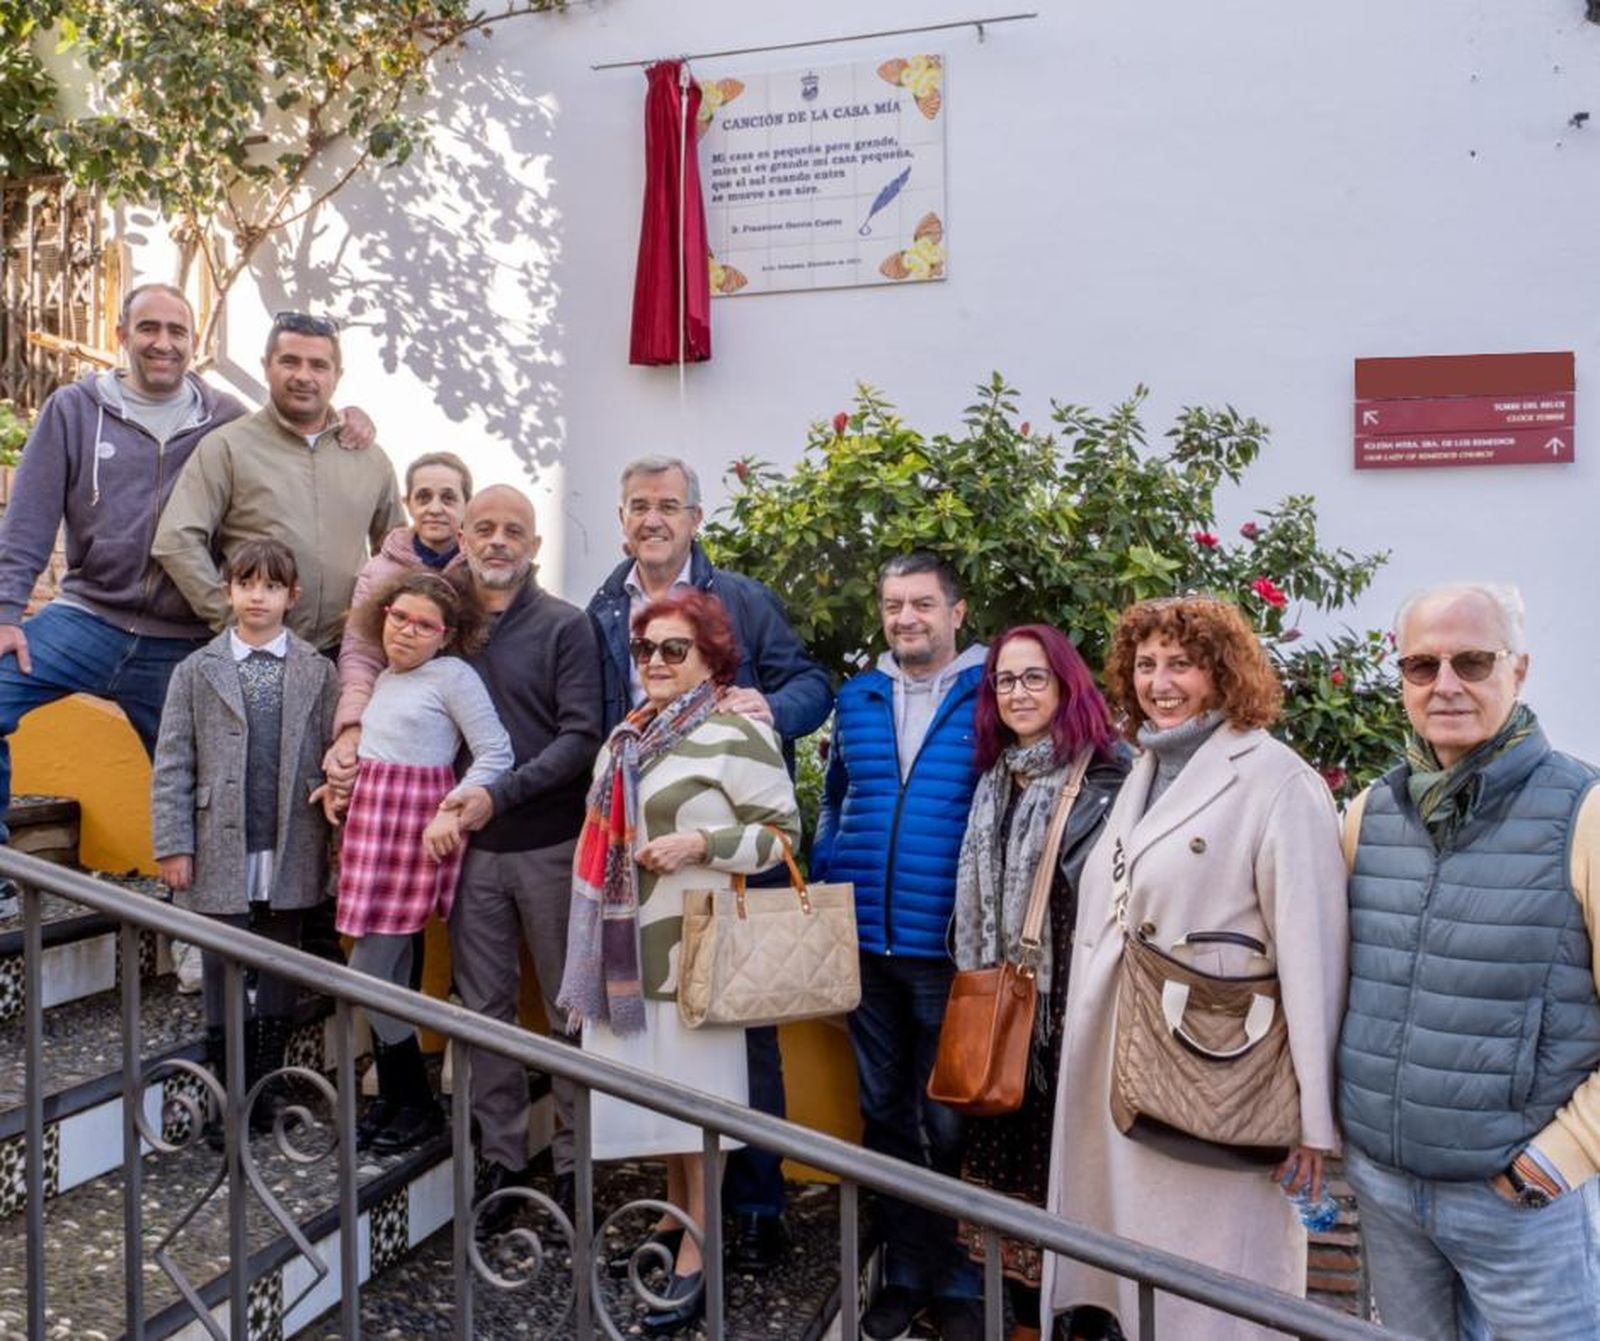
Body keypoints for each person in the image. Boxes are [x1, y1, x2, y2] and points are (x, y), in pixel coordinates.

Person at [0, 286, 363, 915]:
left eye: (177, 330)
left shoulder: (225, 418)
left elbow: (295, 425)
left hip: (181, 638)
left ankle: (203, 925)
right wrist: (7, 611)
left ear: (196, 343)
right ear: (122, 334)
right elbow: (29, 516)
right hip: (87, 616)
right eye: (149, 328)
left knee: (211, 779)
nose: (163, 342)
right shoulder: (75, 409)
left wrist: (347, 420)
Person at [1041, 596, 1348, 1341]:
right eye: (1145, 664)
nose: (1160, 682)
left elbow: (1313, 952)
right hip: (1120, 1059)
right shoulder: (1145, 763)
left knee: (1212, 1292)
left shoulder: (1278, 779)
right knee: (1128, 1267)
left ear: (1223, 670)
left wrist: (1315, 1122)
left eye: (1181, 663)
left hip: (1215, 1072)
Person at [1336, 583, 1600, 1340]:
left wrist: (1557, 1158)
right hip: (1388, 1192)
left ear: (1517, 671)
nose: (1445, 684)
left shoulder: (1583, 813)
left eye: (1472, 660)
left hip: (1521, 1203)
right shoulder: (1371, 814)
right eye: (1422, 664)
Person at [587, 453, 833, 1265]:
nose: (651, 518)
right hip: (636, 891)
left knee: (738, 1045)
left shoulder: (742, 601)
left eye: (667, 504)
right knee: (657, 1055)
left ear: (695, 516)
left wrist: (767, 704)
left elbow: (809, 684)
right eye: (636, 505)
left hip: (722, 871)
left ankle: (754, 1205)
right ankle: (682, 1211)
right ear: (621, 519)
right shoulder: (600, 607)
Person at [557, 590, 802, 1335]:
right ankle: (671, 1221)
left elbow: (782, 836)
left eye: (674, 649)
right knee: (657, 1096)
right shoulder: (627, 736)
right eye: (645, 650)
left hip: (697, 947)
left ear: (711, 660)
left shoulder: (735, 732)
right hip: (626, 952)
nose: (656, 662)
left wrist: (701, 845)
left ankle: (700, 1250)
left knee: (699, 1106)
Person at [811, 550, 989, 1341]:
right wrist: (827, 877)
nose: (906, 617)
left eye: (922, 603)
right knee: (882, 1111)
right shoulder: (858, 696)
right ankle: (906, 1270)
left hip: (948, 946)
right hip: (865, 944)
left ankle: (952, 1274)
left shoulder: (992, 695)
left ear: (956, 612)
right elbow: (834, 797)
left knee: (946, 1120)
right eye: (893, 605)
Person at [950, 626, 1128, 1341]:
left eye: (1034, 678)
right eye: (1005, 681)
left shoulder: (1111, 775)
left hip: (1072, 1018)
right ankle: (1025, 1324)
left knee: (1078, 1187)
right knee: (1010, 1193)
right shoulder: (996, 777)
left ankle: (1087, 1323)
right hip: (1004, 1020)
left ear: (1065, 685)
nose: (1018, 693)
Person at [437, 485, 603, 1229]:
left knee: (571, 1012)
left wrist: (498, 795)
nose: (498, 541)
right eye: (485, 528)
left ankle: (575, 1165)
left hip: (551, 845)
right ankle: (502, 1158)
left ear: (535, 547)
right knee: (485, 1014)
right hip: (468, 854)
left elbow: (580, 737)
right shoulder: (445, 625)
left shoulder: (567, 628)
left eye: (514, 530)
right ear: (462, 538)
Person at [315, 570, 512, 1156]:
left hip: (413, 835)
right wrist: (338, 786)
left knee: (369, 977)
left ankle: (418, 1102)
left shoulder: (452, 676)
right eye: (399, 617)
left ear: (446, 635)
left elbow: (496, 752)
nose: (407, 630)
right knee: (387, 973)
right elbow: (377, 751)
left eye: (424, 624)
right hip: (370, 830)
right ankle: (397, 1101)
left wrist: (453, 810)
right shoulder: (381, 678)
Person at [148, 538, 337, 1147]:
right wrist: (175, 843)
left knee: (278, 961)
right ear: (228, 591)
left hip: (291, 838)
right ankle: (225, 1087)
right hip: (217, 840)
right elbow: (172, 762)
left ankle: (265, 1086)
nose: (258, 597)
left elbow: (336, 754)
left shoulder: (316, 669)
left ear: (292, 597)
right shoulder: (196, 670)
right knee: (223, 961)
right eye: (246, 584)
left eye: (272, 587)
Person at [152, 310, 403, 656]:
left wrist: (379, 629)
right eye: (289, 362)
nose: (303, 376)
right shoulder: (228, 446)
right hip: (253, 652)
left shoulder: (370, 458)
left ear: (337, 376)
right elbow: (176, 540)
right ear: (266, 365)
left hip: (343, 654)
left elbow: (397, 552)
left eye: (318, 365)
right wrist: (233, 619)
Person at [328, 450, 474, 765]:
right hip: (396, 730)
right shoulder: (379, 572)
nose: (435, 508)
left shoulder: (480, 572)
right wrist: (352, 725)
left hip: (467, 727)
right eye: (424, 497)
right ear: (408, 504)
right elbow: (360, 656)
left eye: (448, 498)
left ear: (466, 505)